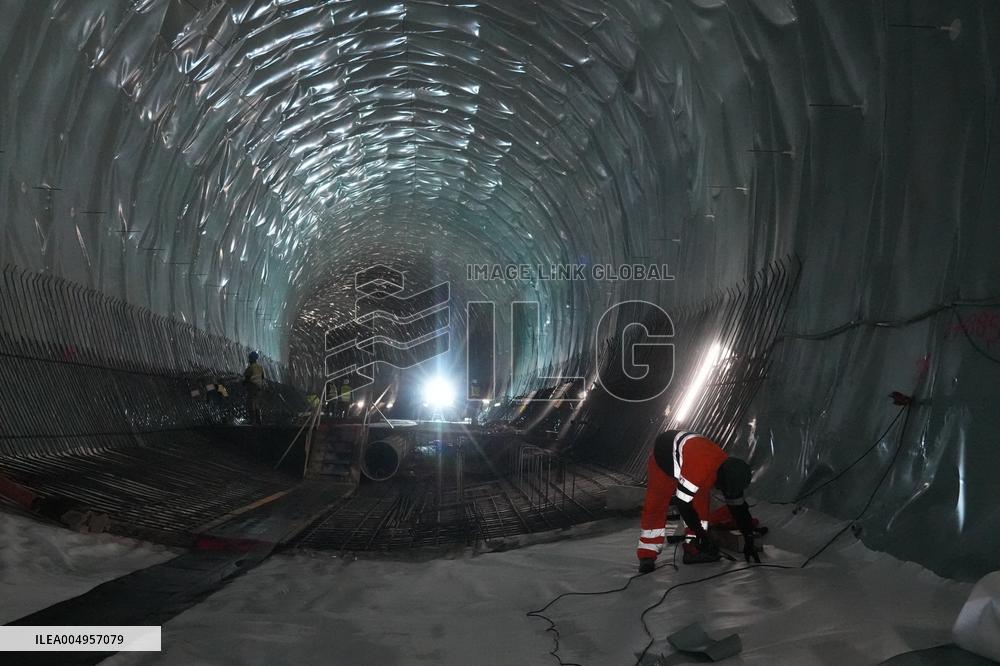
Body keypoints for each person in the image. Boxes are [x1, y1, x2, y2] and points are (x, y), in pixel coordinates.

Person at [637, 430, 759, 573]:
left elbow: (739, 509)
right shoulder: (699, 469)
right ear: (721, 480)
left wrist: (749, 538)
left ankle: (694, 546)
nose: (724, 493)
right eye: (724, 490)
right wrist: (702, 535)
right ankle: (647, 555)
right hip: (663, 461)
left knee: (701, 506)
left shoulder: (730, 470)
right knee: (656, 505)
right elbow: (683, 504)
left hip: (692, 463)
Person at [243, 351, 265, 425]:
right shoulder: (260, 367)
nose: (248, 360)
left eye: (249, 358)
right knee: (257, 404)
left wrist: (243, 383)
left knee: (251, 403)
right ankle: (259, 420)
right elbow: (262, 377)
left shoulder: (250, 368)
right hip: (259, 388)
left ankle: (252, 420)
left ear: (251, 359)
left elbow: (247, 378)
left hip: (252, 387)